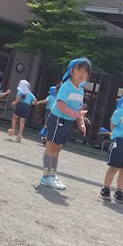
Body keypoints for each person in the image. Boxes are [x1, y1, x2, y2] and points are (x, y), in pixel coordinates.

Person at [40, 57, 92, 191]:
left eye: (85, 72)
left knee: (58, 148)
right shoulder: (66, 86)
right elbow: (60, 105)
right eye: (79, 70)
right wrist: (74, 114)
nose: (82, 74)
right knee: (51, 147)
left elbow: (78, 110)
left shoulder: (80, 90)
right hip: (57, 119)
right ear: (72, 71)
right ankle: (46, 176)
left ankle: (52, 174)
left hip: (67, 121)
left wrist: (81, 123)